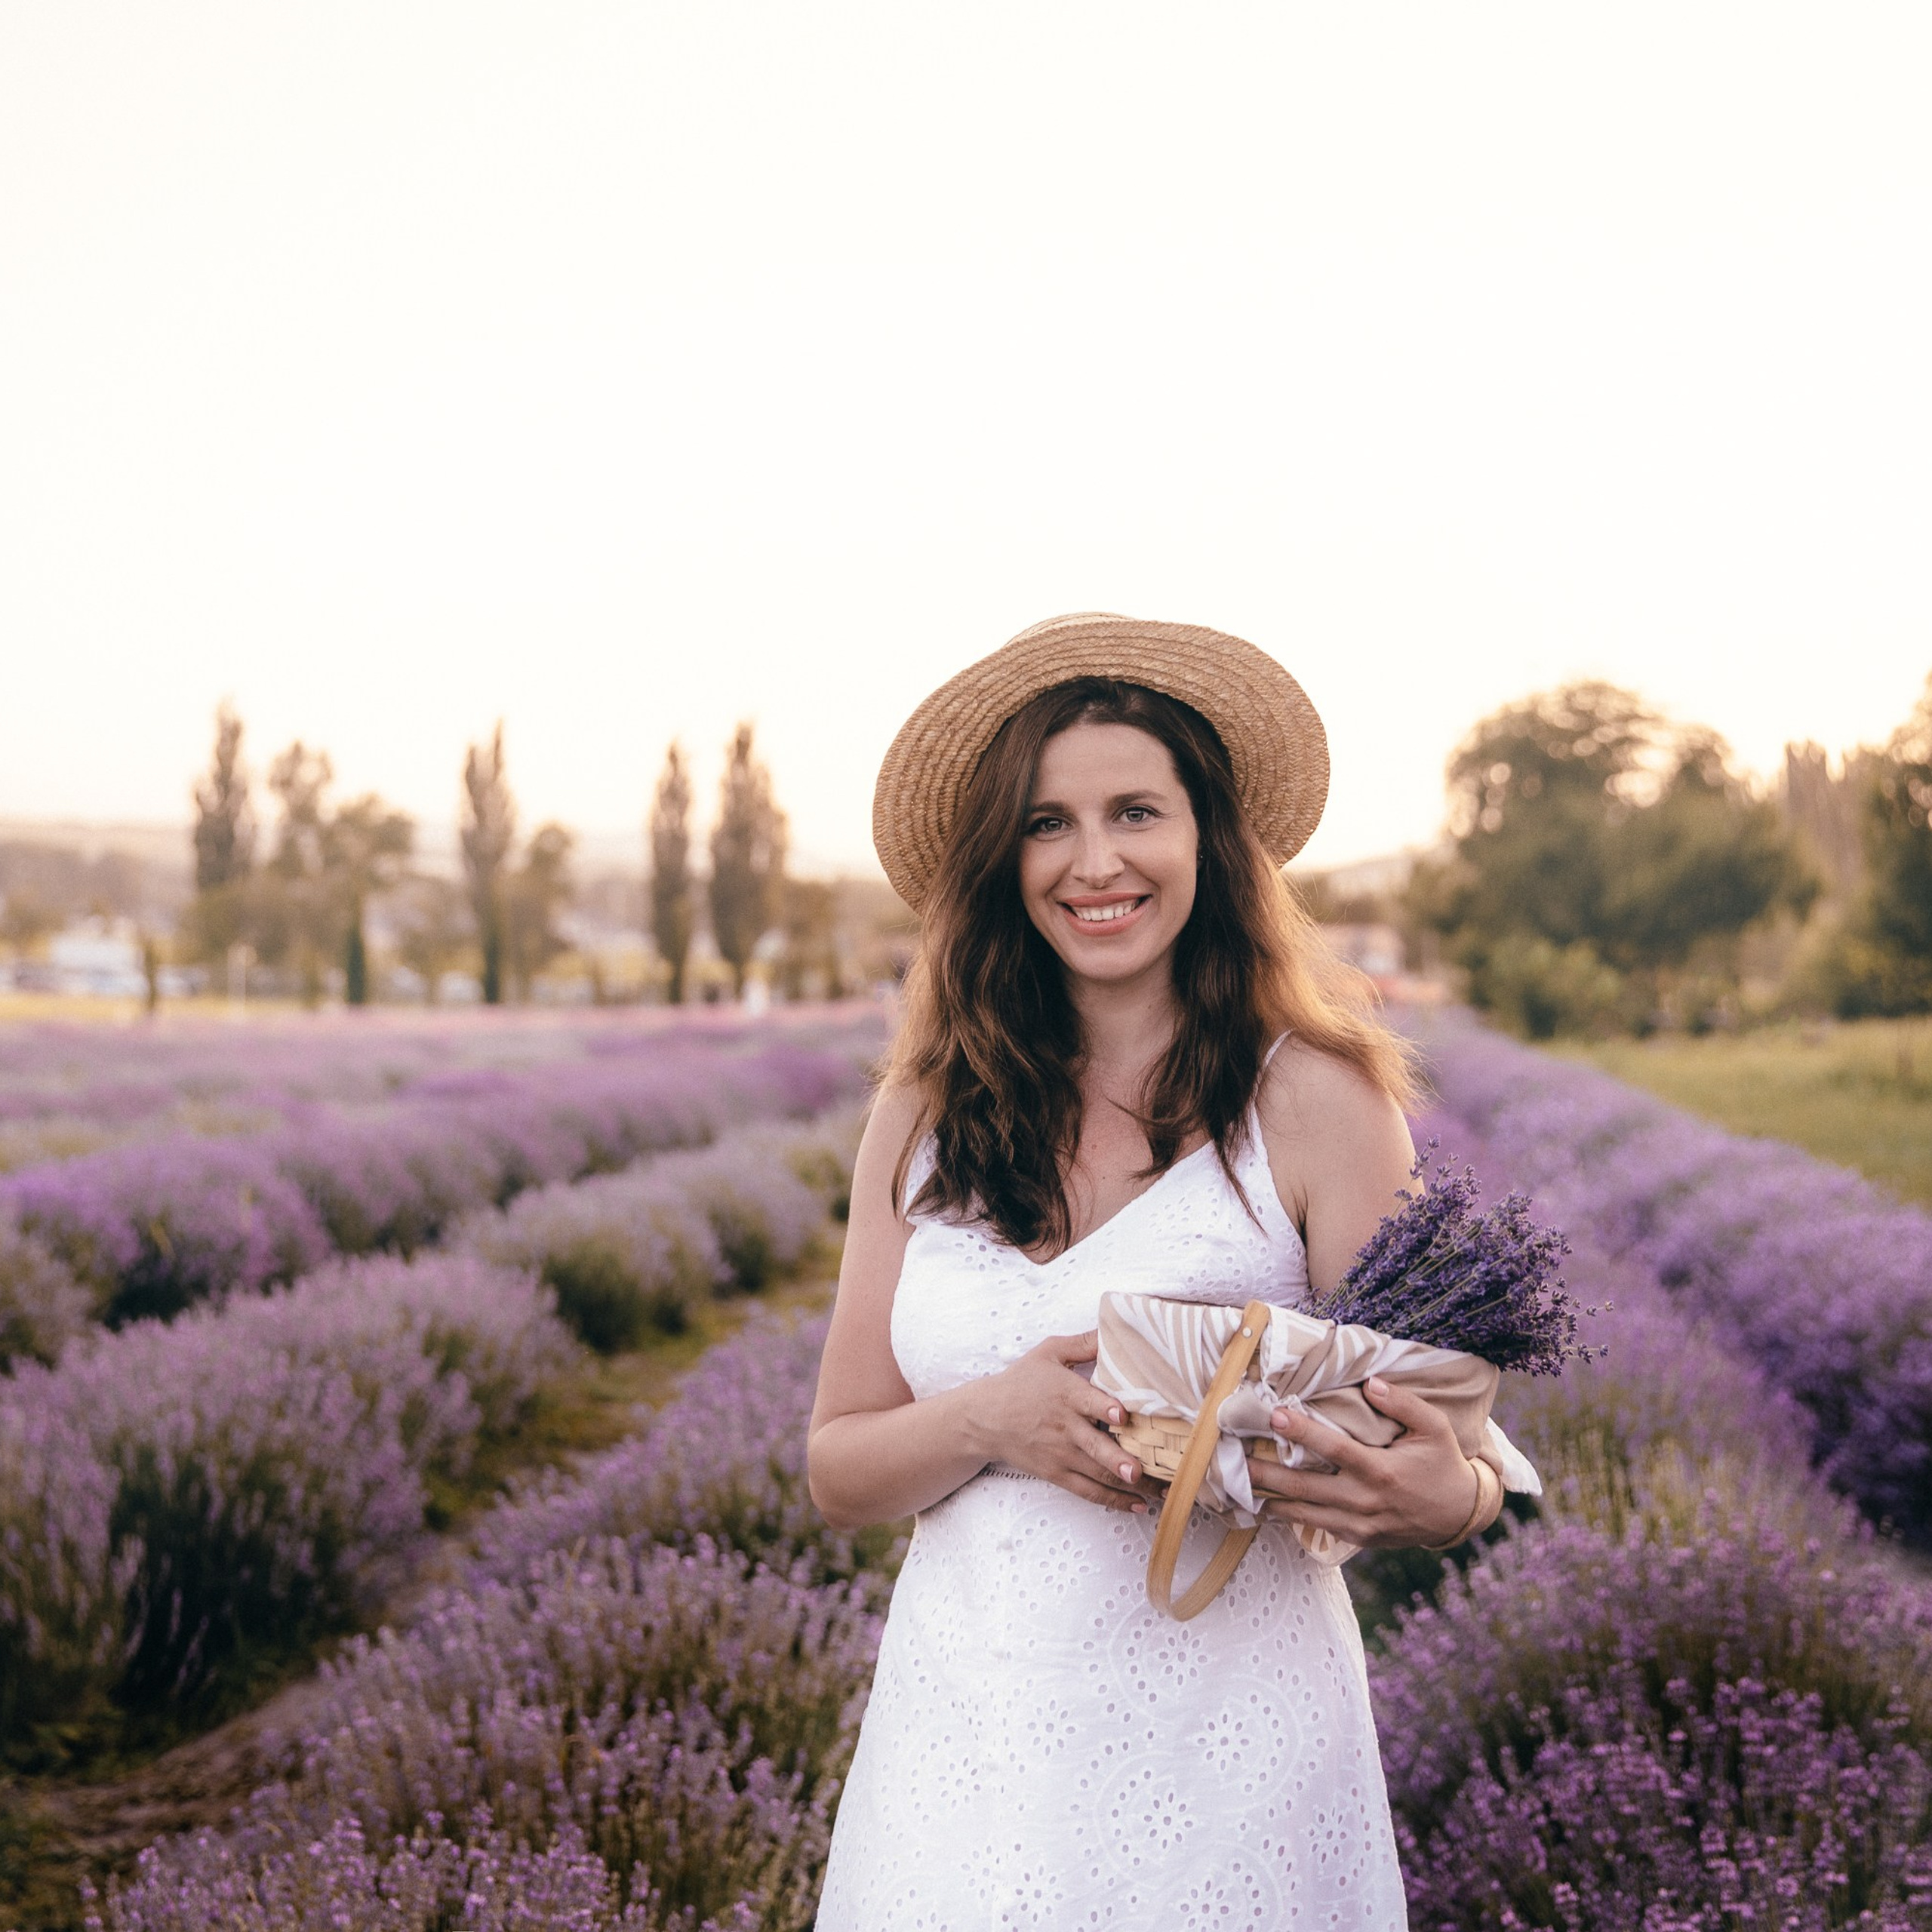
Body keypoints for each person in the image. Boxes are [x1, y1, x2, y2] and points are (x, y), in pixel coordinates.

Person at [809, 614, 1499, 1929]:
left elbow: (1451, 1428)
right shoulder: (919, 1115)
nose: (1095, 861)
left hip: (1230, 1751)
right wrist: (988, 1416)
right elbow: (840, 1465)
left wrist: (1443, 1497)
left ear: (1207, 842)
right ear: (1002, 862)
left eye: (1137, 810)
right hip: (966, 1757)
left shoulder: (1319, 1104)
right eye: (1046, 824)